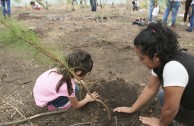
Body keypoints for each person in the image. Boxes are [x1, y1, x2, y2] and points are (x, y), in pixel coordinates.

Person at [113, 21, 194, 126]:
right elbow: (150, 88)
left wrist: (161, 123)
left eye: (142, 58)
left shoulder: (173, 68)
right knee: (162, 96)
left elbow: (170, 109)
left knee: (167, 103)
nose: (140, 61)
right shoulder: (165, 57)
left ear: (156, 56)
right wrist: (132, 108)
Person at [33, 49, 99, 111]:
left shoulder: (59, 68)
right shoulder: (68, 86)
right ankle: (54, 105)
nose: (86, 76)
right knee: (75, 89)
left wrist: (76, 80)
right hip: (44, 100)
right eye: (86, 73)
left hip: (39, 92)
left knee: (76, 88)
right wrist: (87, 99)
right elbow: (76, 106)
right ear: (79, 72)